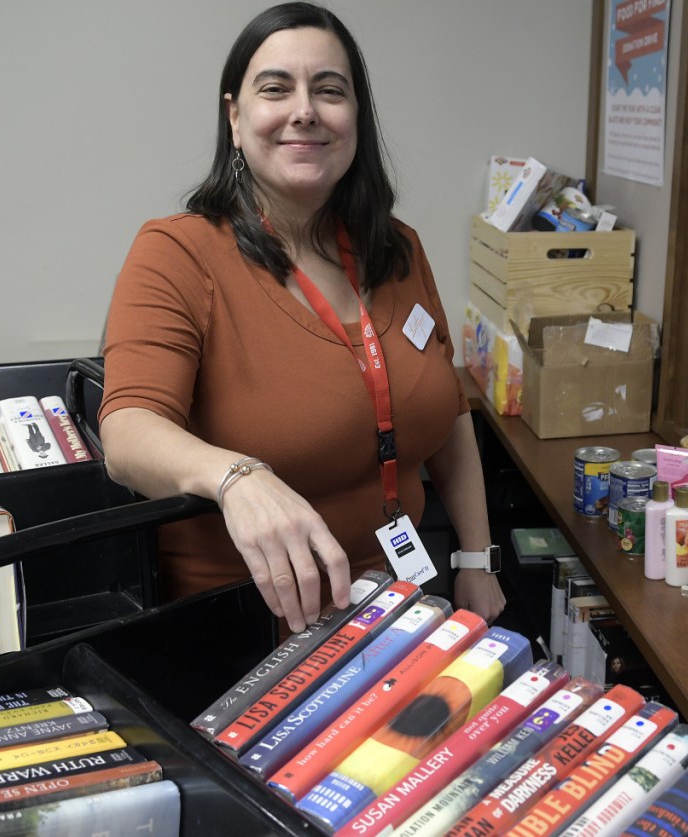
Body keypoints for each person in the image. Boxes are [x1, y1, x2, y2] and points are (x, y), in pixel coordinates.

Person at [98, 2, 505, 632]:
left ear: (356, 121)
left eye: (329, 90)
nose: (305, 110)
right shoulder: (178, 252)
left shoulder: (398, 249)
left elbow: (447, 409)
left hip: (401, 606)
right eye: (275, 89)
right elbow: (126, 432)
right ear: (235, 118)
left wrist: (477, 558)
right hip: (248, 628)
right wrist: (238, 476)